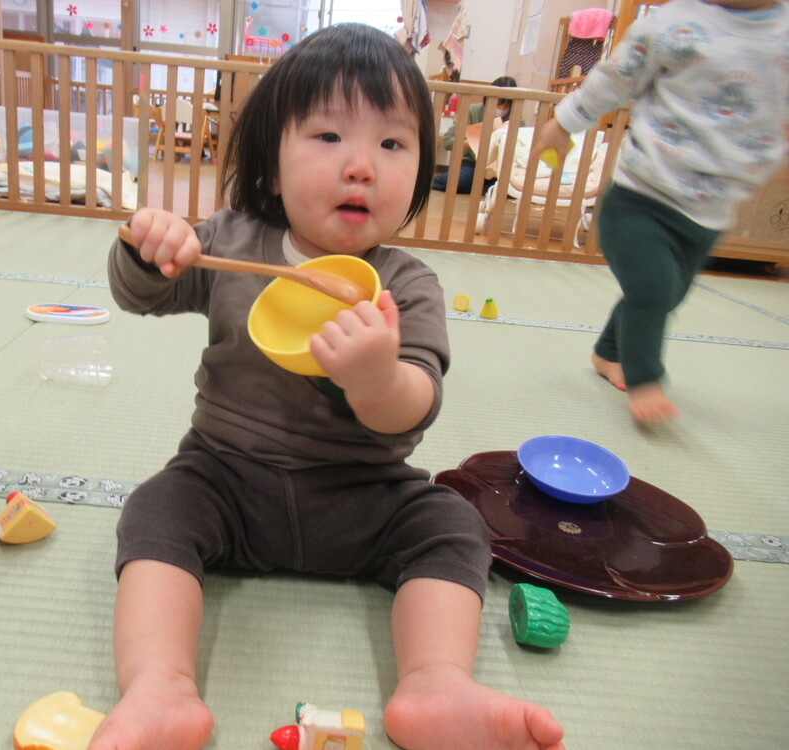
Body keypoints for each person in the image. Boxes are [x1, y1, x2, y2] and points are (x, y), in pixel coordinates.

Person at [92, 24, 564, 750]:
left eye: (391, 145)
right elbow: (142, 295)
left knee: (451, 525)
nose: (361, 167)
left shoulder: (408, 284)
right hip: (223, 479)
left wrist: (377, 379)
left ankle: (435, 686)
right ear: (272, 164)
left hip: (363, 495)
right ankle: (161, 689)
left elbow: (415, 406)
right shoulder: (231, 242)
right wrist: (144, 246)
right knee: (155, 513)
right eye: (327, 137)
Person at [532, 0, 789, 424]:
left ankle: (607, 353)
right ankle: (645, 376)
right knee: (651, 289)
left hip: (711, 212)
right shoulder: (675, 23)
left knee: (668, 295)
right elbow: (614, 80)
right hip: (642, 197)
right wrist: (563, 123)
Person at [432, 76, 518, 193]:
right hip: (473, 164)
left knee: (513, 185)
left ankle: (483, 188)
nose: (502, 109)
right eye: (498, 104)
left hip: (500, 166)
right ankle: (483, 189)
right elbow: (447, 142)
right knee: (463, 180)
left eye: (506, 106)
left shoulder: (516, 118)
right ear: (489, 99)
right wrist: (474, 140)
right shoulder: (472, 111)